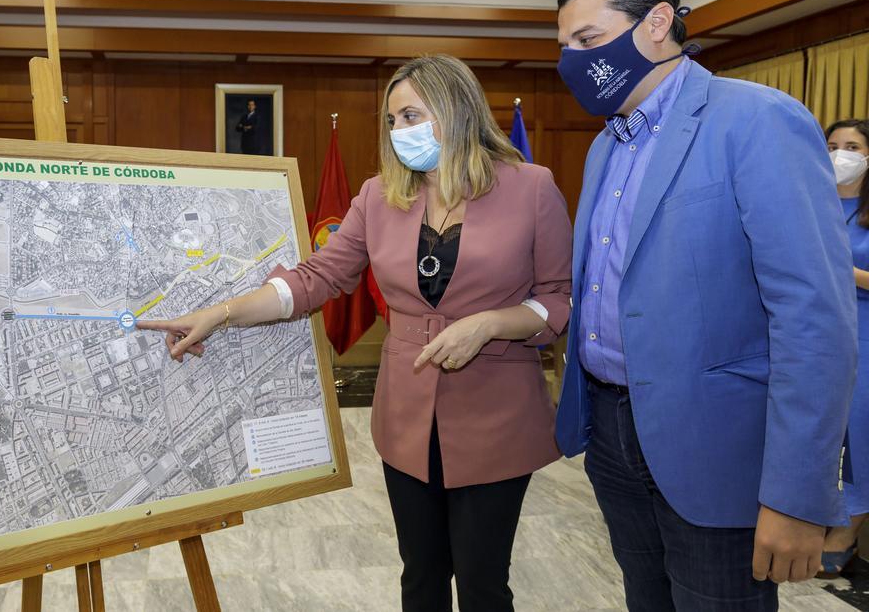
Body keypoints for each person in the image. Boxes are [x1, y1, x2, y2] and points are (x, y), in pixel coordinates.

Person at [140, 54, 572, 611]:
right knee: (420, 576)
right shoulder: (378, 195)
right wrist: (219, 313)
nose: (399, 133)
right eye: (392, 122)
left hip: (497, 417)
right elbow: (315, 279)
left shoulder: (531, 188)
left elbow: (557, 300)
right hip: (407, 418)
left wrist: (490, 324)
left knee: (483, 582)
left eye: (411, 116)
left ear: (454, 110)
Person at [553, 0, 856, 611]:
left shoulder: (755, 121)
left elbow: (815, 317)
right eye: (563, 48)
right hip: (612, 433)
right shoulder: (605, 145)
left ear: (658, 22)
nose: (573, 62)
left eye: (588, 41)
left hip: (717, 446)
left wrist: (796, 491)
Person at [822, 118, 869, 577]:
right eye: (833, 144)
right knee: (820, 429)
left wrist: (841, 270)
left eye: (852, 146)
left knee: (858, 434)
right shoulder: (812, 203)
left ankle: (846, 533)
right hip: (816, 334)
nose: (841, 154)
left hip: (865, 332)